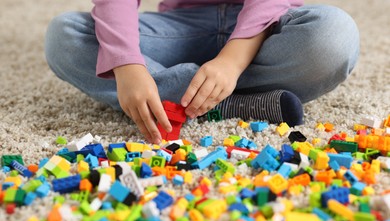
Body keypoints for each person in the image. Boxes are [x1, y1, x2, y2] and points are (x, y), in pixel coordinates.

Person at [45, 0, 360, 144]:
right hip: (180, 26)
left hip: (267, 28)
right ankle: (229, 104)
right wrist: (127, 65)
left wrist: (231, 62)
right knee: (65, 36)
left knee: (334, 34)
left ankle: (185, 96)